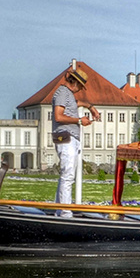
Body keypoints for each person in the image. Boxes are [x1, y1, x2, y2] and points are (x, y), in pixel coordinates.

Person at [52, 63, 98, 216]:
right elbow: (58, 116)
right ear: (76, 82)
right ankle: (65, 213)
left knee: (67, 175)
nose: (80, 90)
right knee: (68, 175)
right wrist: (79, 120)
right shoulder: (62, 93)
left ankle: (60, 209)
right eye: (80, 87)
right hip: (67, 137)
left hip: (69, 138)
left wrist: (90, 107)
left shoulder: (67, 95)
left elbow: (76, 103)